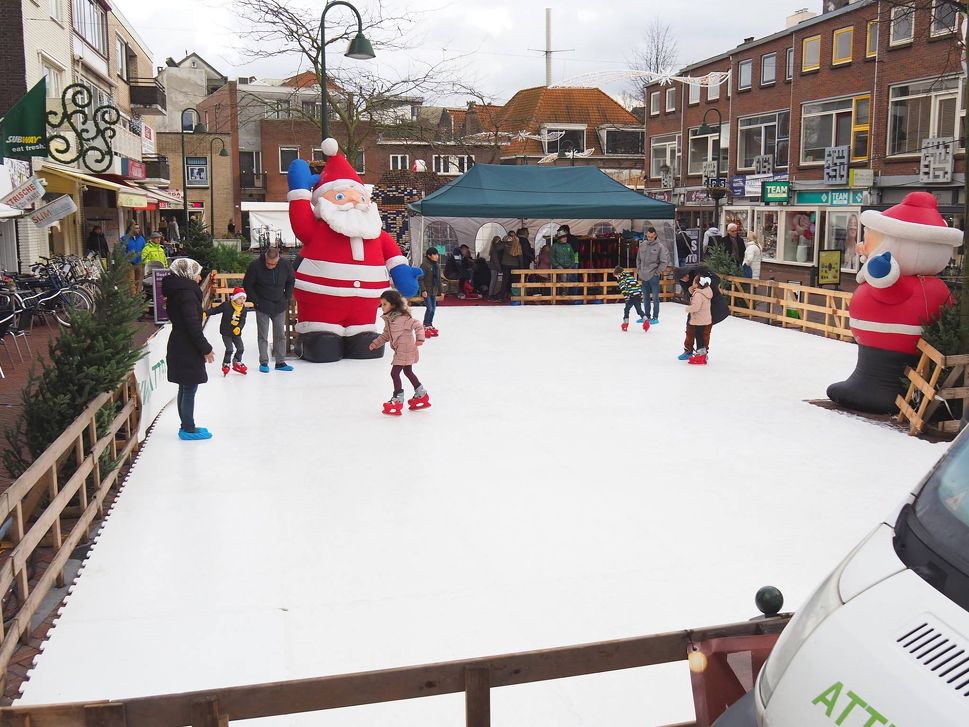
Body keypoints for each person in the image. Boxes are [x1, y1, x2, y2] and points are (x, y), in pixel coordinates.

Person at [162, 258, 215, 440]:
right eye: (197, 273)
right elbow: (192, 325)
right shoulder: (187, 295)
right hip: (186, 346)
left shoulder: (179, 291)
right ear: (188, 274)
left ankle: (187, 425)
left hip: (179, 342)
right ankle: (188, 428)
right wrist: (206, 348)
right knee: (189, 387)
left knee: (184, 387)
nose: (200, 277)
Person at [368, 290, 429, 416]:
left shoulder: (403, 317)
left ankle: (397, 400)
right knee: (407, 371)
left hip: (405, 349)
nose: (382, 307)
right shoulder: (390, 319)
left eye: (385, 304)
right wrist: (375, 343)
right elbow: (386, 335)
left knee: (395, 373)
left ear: (394, 305)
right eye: (381, 304)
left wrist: (420, 338)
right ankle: (421, 394)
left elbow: (417, 324)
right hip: (402, 349)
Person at [243, 246, 296, 373]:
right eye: (268, 263)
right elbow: (247, 285)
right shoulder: (255, 266)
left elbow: (291, 280)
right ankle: (264, 362)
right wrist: (256, 301)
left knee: (280, 335)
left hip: (279, 305)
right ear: (265, 257)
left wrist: (286, 297)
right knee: (263, 336)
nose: (270, 266)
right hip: (262, 306)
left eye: (273, 264)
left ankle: (280, 362)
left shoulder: (285, 265)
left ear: (278, 260)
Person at [674, 266, 729, 360]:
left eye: (685, 276)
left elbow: (716, 279)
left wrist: (702, 288)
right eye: (682, 278)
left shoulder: (700, 271)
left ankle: (703, 353)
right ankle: (688, 350)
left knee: (705, 331)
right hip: (696, 308)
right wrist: (690, 292)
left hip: (712, 306)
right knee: (690, 328)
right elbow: (687, 296)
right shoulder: (684, 282)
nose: (685, 279)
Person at [205, 287, 249, 376]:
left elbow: (242, 320)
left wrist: (239, 328)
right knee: (229, 349)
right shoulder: (226, 305)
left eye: (244, 298)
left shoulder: (243, 309)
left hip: (236, 333)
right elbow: (215, 310)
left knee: (241, 348)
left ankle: (237, 362)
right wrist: (206, 313)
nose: (242, 300)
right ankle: (226, 364)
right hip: (226, 332)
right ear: (235, 298)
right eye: (240, 298)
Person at [636, 226, 670, 325]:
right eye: (648, 236)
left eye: (651, 237)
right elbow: (638, 259)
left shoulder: (660, 247)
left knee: (655, 298)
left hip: (653, 276)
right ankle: (646, 316)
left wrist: (657, 272)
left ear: (655, 236)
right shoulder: (643, 245)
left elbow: (664, 262)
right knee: (645, 298)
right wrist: (639, 270)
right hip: (643, 275)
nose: (649, 238)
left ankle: (655, 317)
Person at [684, 276, 714, 365]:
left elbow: (696, 307)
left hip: (699, 319)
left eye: (693, 282)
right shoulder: (706, 291)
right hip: (704, 318)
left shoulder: (698, 294)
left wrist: (688, 309)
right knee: (700, 336)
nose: (692, 283)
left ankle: (701, 354)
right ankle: (702, 353)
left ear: (697, 284)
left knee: (699, 336)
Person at [613, 266, 646, 332]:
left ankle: (625, 324)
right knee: (639, 310)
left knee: (626, 309)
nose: (616, 278)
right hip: (638, 295)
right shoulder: (631, 277)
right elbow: (638, 286)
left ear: (618, 274)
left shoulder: (622, 279)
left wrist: (627, 299)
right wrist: (640, 295)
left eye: (616, 276)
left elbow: (624, 290)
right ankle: (646, 321)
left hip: (631, 296)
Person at [419, 248, 443, 337]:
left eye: (437, 254)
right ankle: (425, 325)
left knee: (433, 309)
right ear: (429, 256)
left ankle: (429, 324)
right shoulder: (424, 265)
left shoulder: (437, 265)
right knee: (429, 308)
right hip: (427, 291)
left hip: (434, 291)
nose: (437, 256)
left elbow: (439, 280)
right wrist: (423, 290)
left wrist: (441, 291)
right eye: (434, 254)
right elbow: (420, 279)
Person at [500, 232, 522, 300]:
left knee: (505, 281)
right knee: (515, 281)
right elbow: (520, 257)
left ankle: (502, 296)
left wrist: (503, 241)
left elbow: (498, 250)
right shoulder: (518, 245)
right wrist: (522, 267)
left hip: (506, 264)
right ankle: (514, 296)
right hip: (515, 265)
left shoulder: (505, 244)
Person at [487, 235, 503, 300]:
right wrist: (499, 269)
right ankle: (490, 295)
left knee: (493, 281)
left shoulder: (493, 248)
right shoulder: (495, 249)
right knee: (493, 281)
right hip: (494, 267)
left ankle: (491, 294)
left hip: (493, 267)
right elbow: (496, 261)